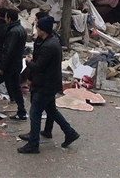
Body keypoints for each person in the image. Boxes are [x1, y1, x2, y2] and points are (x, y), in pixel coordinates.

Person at [18, 16, 79, 153]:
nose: (36, 28)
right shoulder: (50, 41)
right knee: (52, 110)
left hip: (45, 85)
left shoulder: (49, 46)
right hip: (49, 83)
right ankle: (70, 132)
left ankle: (33, 144)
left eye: (38, 26)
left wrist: (28, 62)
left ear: (43, 30)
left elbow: (39, 66)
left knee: (35, 113)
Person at [0, 8, 27, 120]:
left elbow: (8, 50)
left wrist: (3, 66)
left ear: (9, 18)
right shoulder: (21, 29)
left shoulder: (12, 31)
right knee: (16, 87)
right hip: (17, 64)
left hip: (9, 65)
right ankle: (21, 111)